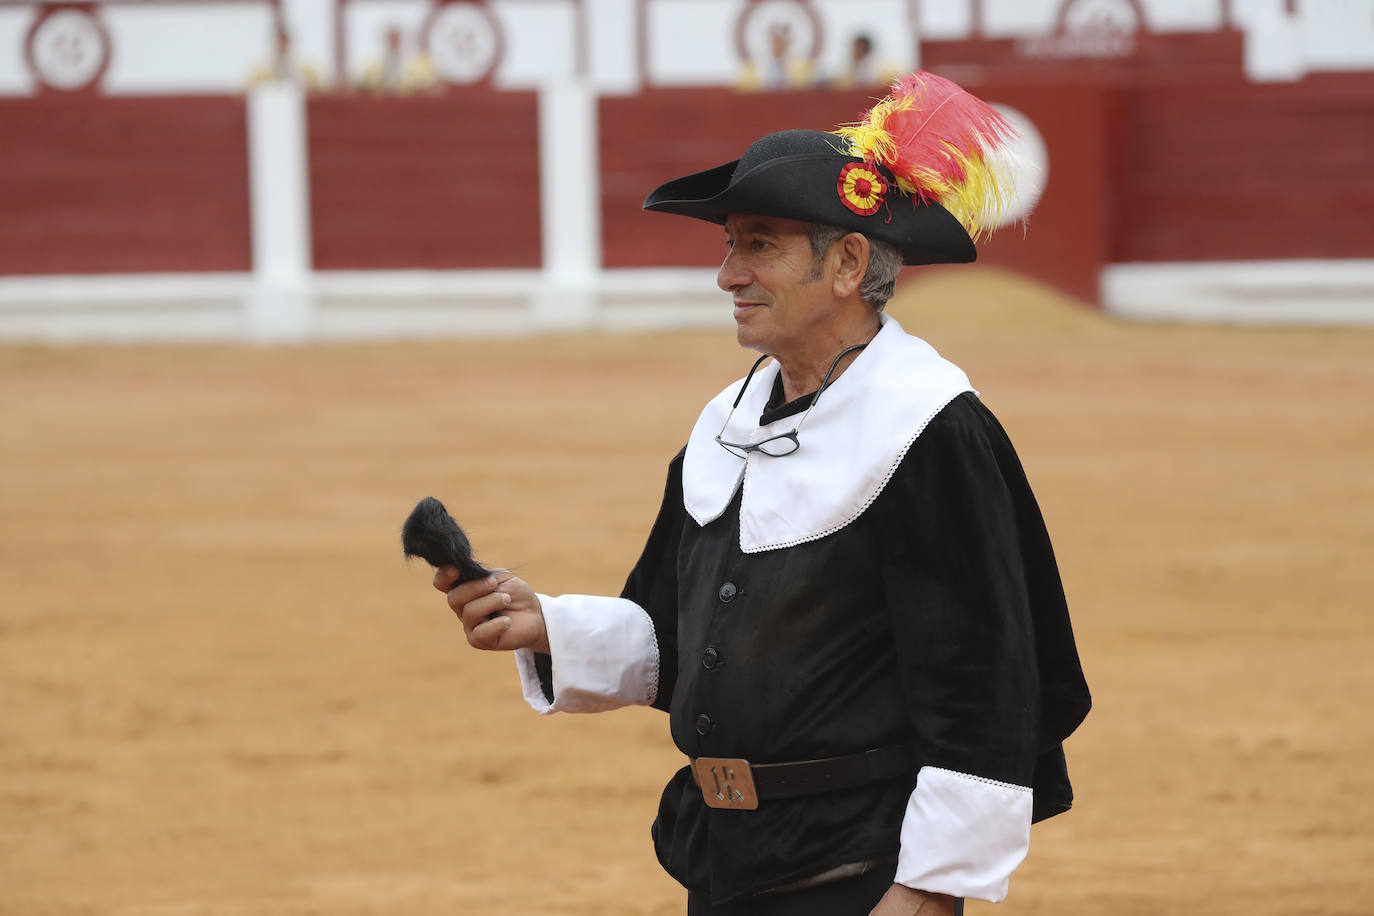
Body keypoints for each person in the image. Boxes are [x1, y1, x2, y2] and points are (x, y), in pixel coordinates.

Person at [432, 72, 1091, 915]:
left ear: (848, 263)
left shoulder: (927, 430)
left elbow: (985, 685)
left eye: (759, 245)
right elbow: (684, 631)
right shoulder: (729, 419)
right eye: (731, 245)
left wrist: (929, 888)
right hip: (728, 861)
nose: (727, 274)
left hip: (858, 870)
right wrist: (550, 625)